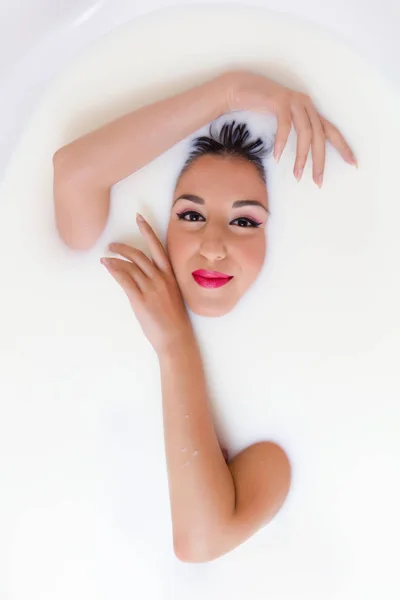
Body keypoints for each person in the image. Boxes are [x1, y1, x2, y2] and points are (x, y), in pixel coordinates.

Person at [52, 70, 357, 562]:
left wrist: (175, 344)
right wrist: (231, 92)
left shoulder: (290, 411)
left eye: (244, 221)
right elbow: (72, 170)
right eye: (191, 215)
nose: (213, 248)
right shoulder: (101, 252)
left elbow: (201, 540)